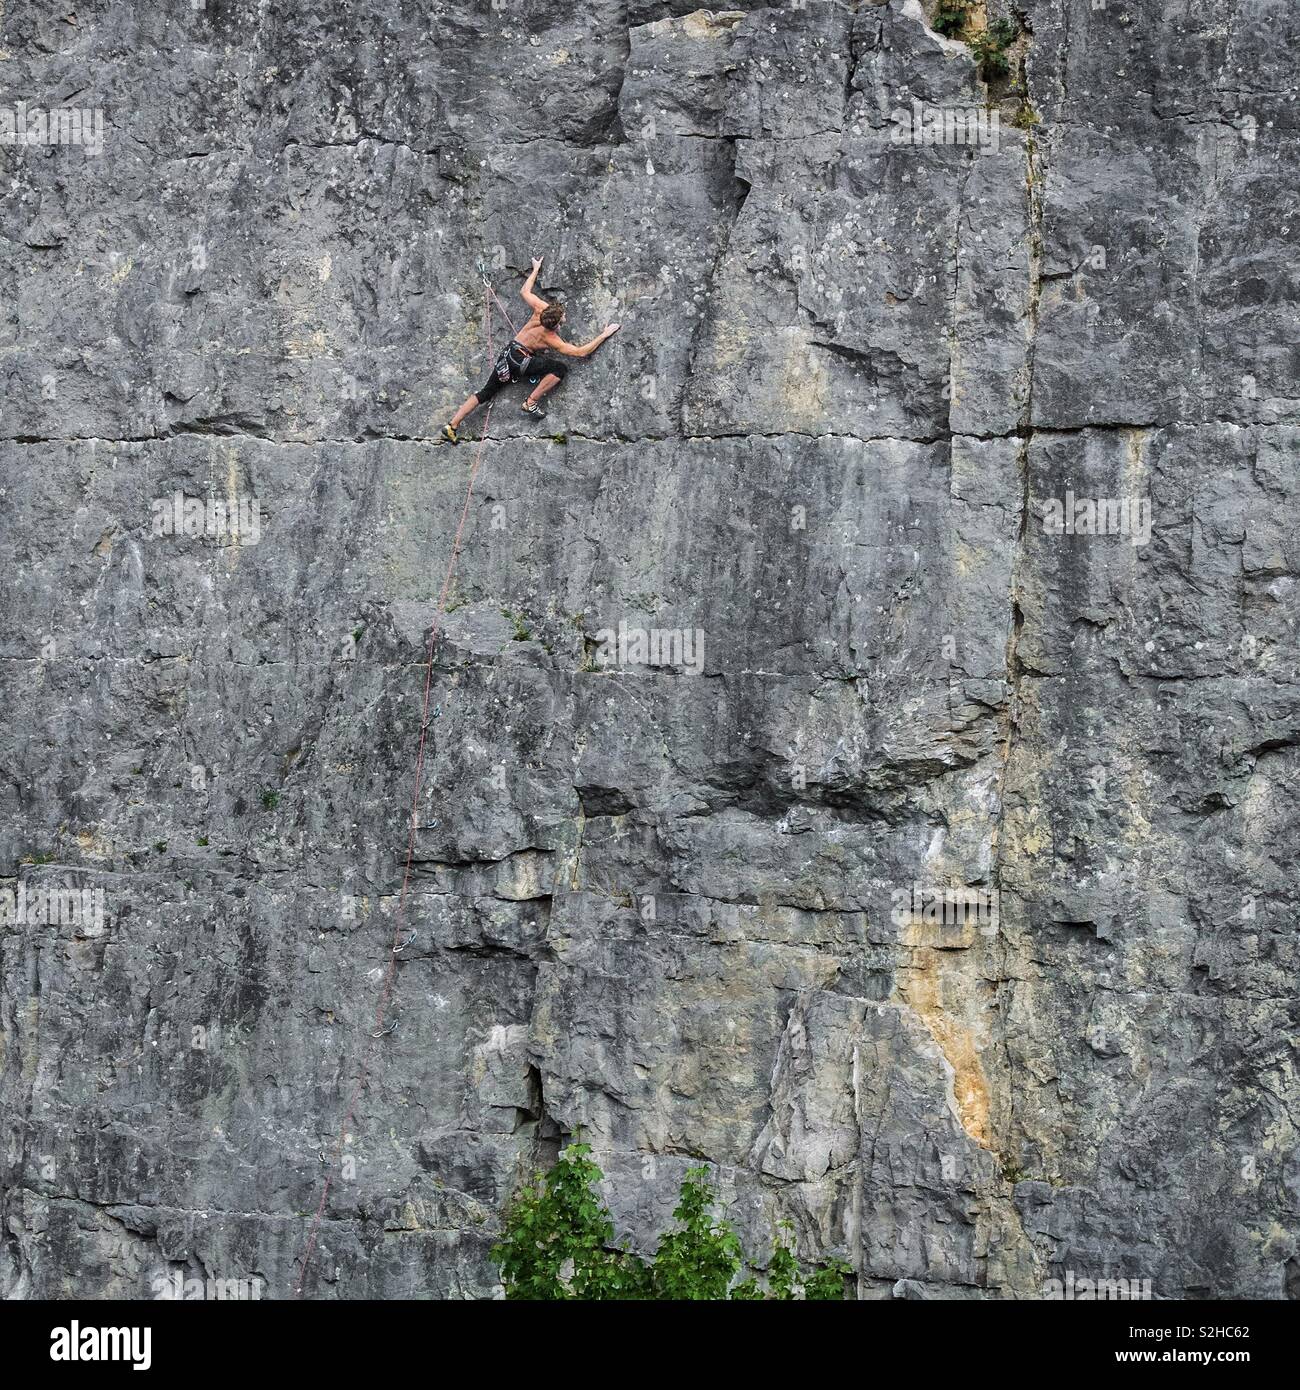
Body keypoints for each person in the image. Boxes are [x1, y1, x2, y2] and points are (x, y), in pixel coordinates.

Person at [442, 256, 621, 442]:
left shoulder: (540, 308)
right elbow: (581, 352)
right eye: (563, 319)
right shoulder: (551, 338)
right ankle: (531, 402)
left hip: (508, 355)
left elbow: (524, 291)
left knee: (486, 392)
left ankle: (452, 425)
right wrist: (604, 335)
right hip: (522, 362)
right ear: (557, 324)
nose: (564, 318)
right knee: (560, 369)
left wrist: (535, 268)